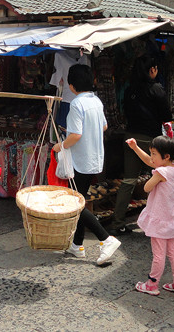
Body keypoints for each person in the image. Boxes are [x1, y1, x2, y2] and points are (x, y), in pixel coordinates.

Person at [52, 64, 121, 266]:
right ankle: (77, 245)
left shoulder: (76, 104)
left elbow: (75, 135)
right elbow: (104, 126)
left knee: (77, 203)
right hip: (94, 157)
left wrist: (59, 145)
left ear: (71, 86)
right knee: (79, 198)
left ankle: (106, 239)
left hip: (80, 159)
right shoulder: (96, 101)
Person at [109, 55, 171, 235]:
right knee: (162, 178)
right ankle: (167, 220)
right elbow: (167, 116)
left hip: (131, 138)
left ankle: (117, 222)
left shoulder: (129, 90)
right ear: (152, 70)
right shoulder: (156, 89)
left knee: (129, 180)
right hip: (151, 139)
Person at [127, 136, 174, 297]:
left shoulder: (161, 172)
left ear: (166, 156)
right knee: (172, 251)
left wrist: (152, 178)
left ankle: (152, 284)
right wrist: (135, 147)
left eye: (154, 153)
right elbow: (150, 162)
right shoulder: (173, 168)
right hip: (170, 218)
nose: (152, 157)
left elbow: (146, 188)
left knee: (159, 254)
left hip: (159, 219)